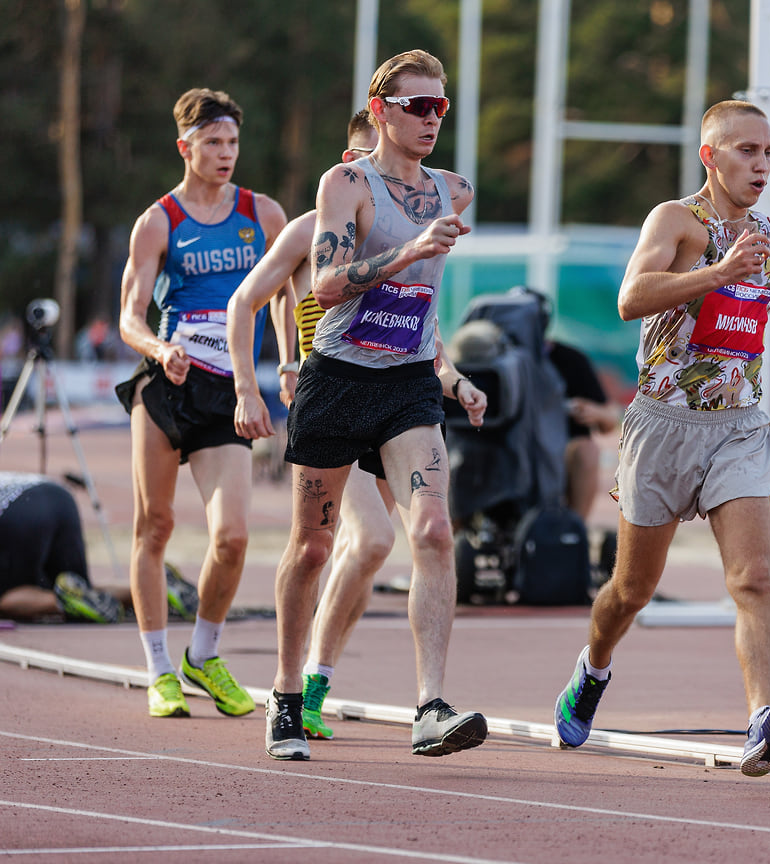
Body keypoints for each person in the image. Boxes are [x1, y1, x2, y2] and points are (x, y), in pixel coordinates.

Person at [552, 99, 770, 778]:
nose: (760, 164)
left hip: (740, 427)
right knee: (630, 591)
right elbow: (631, 297)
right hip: (664, 424)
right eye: (745, 151)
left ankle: (760, 720)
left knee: (753, 578)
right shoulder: (676, 221)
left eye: (768, 153)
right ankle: (593, 669)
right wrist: (719, 273)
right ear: (710, 155)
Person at [262, 49, 487, 761]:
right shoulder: (346, 183)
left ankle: (429, 707)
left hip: (408, 383)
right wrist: (408, 249)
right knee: (315, 547)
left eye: (440, 107)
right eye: (416, 106)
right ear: (381, 109)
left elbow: (424, 299)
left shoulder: (455, 188)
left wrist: (450, 376)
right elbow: (323, 284)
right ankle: (288, 695)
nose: (430, 119)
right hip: (336, 379)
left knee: (434, 532)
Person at [115, 88, 287, 720]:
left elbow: (287, 291)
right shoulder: (159, 220)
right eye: (212, 142)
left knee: (233, 537)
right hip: (168, 386)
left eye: (233, 142)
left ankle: (203, 653)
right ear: (185, 147)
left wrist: (290, 360)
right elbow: (130, 316)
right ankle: (159, 667)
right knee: (154, 526)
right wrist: (160, 349)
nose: (225, 153)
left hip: (227, 391)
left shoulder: (261, 214)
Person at [227, 110, 389, 742]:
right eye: (355, 159)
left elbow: (421, 318)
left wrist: (453, 379)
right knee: (362, 541)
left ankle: (316, 677)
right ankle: (297, 685)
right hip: (330, 397)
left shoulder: (409, 222)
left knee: (373, 550)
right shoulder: (310, 229)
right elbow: (248, 299)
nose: (365, 173)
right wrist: (265, 377)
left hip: (394, 396)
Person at [0, 472, 201, 625]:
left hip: (17, 514)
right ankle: (156, 585)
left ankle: (61, 602)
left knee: (6, 600)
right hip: (56, 495)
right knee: (80, 589)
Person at [547, 339, 621, 523]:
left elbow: (609, 421)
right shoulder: (489, 356)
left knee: (587, 450)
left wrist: (595, 412)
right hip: (512, 448)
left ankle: (575, 530)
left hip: (562, 451)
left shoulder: (569, 358)